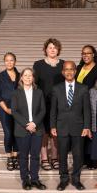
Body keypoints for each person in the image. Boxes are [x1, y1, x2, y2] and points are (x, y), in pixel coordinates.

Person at [50, 61, 91, 191]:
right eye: (66, 69)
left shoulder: (83, 88)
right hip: (61, 127)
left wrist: (86, 126)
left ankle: (76, 179)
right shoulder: (56, 89)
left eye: (71, 69)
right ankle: (63, 179)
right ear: (63, 72)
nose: (69, 72)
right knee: (61, 155)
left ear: (75, 71)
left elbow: (87, 110)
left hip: (78, 127)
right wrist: (52, 126)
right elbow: (53, 110)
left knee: (78, 154)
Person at [11, 68, 47, 190]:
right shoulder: (16, 93)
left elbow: (43, 110)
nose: (27, 77)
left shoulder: (39, 92)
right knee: (24, 156)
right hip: (22, 129)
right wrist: (27, 124)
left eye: (30, 75)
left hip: (37, 129)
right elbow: (14, 112)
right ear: (21, 78)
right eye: (25, 75)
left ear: (33, 78)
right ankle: (25, 180)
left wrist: (34, 123)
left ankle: (35, 179)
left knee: (36, 156)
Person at [33, 38, 65, 171]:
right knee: (44, 132)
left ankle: (55, 157)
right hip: (43, 103)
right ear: (45, 49)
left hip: (59, 104)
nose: (52, 49)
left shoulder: (63, 64)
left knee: (55, 132)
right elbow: (34, 84)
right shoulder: (38, 64)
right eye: (50, 47)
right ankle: (44, 158)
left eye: (55, 47)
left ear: (58, 50)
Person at [75, 44, 97, 170]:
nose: (85, 55)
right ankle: (83, 159)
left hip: (92, 104)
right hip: (78, 105)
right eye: (83, 53)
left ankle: (93, 160)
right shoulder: (79, 67)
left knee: (92, 132)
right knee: (82, 132)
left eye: (88, 53)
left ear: (93, 55)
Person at [0, 52, 20, 171]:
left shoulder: (20, 75)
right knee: (8, 133)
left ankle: (16, 156)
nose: (9, 62)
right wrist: (6, 109)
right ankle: (9, 156)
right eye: (7, 60)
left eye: (11, 60)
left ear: (15, 61)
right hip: (5, 108)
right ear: (4, 62)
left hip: (19, 109)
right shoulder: (0, 76)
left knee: (17, 133)